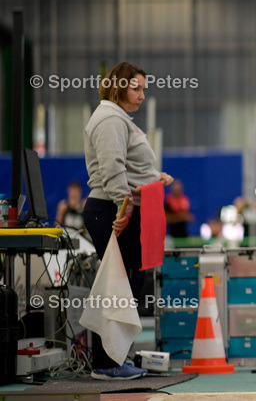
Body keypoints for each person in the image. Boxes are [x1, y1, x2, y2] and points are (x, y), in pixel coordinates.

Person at [83, 62, 173, 380]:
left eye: (143, 88)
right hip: (112, 209)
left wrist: (153, 178)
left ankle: (113, 357)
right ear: (120, 87)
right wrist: (124, 210)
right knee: (118, 286)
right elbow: (112, 169)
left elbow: (128, 167)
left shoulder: (119, 118)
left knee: (128, 284)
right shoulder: (109, 119)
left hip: (122, 207)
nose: (142, 95)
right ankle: (107, 364)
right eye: (136, 88)